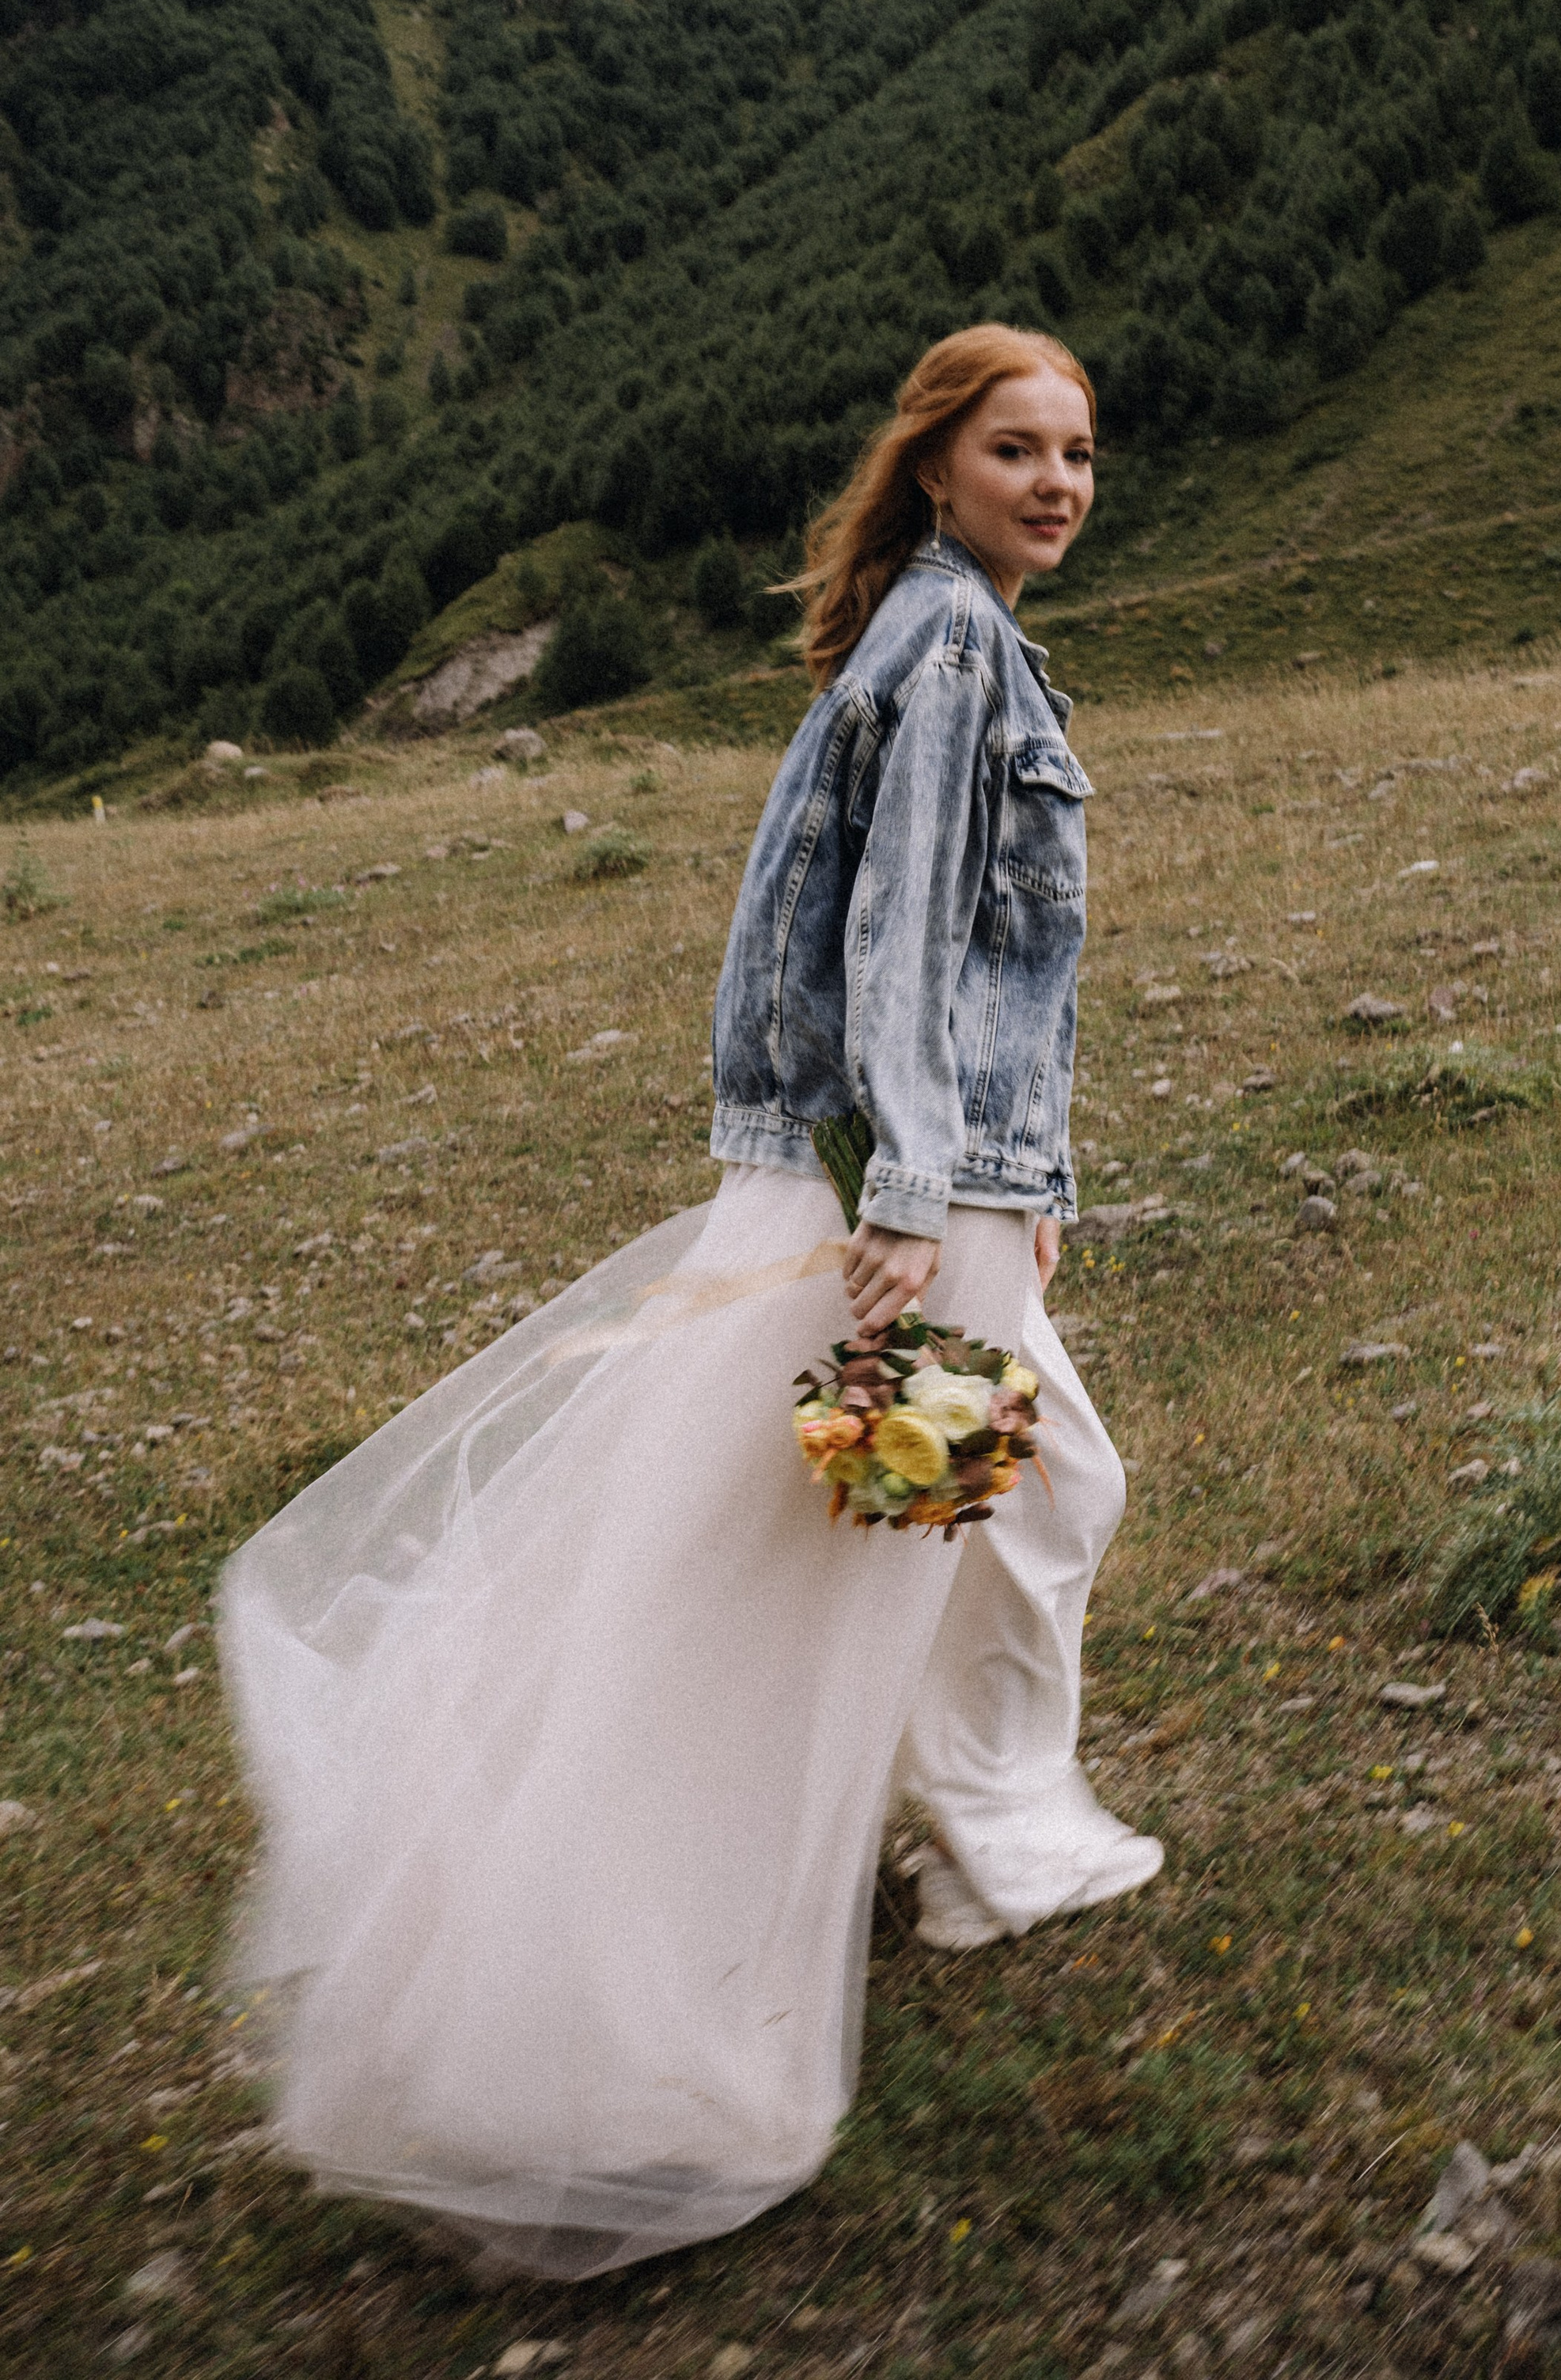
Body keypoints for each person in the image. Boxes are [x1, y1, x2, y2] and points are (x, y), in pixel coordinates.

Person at [218, 323, 1159, 2283]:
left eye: (1075, 450)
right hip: (899, 1203)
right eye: (1016, 450)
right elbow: (899, 932)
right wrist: (917, 1193)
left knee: (1008, 1494)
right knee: (859, 1550)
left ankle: (968, 1825)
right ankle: (746, 1930)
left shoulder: (925, 626)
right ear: (934, 468)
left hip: (929, 1185)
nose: (1056, 483)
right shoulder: (954, 642)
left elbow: (937, 958)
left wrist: (1015, 1185)